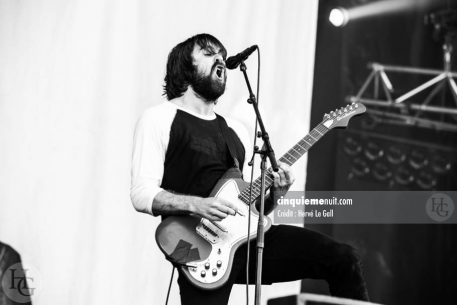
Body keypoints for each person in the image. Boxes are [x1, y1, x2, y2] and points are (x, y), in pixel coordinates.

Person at [130, 33, 368, 305]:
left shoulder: (235, 131)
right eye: (208, 53)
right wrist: (199, 205)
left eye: (221, 54)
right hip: (199, 246)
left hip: (246, 240)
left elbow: (246, 208)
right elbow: (141, 193)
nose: (219, 58)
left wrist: (275, 196)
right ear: (185, 67)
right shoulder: (160, 118)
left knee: (342, 258)